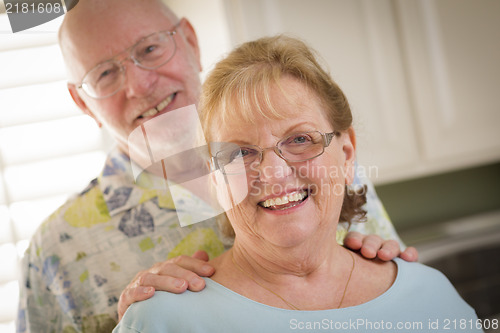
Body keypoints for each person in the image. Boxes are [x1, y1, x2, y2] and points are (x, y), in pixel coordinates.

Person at [16, 1, 416, 332]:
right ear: (83, 103)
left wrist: (384, 269)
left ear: (190, 41)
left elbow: (391, 289)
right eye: (104, 73)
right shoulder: (55, 252)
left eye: (150, 49)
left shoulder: (315, 156)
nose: (139, 85)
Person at [114, 35, 480, 333]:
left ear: (347, 152)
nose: (273, 172)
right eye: (240, 153)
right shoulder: (160, 321)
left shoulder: (429, 297)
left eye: (300, 139)